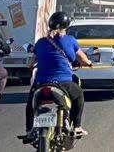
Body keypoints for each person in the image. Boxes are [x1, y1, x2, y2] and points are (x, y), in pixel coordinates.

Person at [28, 11, 90, 139]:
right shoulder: (70, 40)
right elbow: (82, 59)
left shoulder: (40, 42)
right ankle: (77, 126)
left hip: (41, 82)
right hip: (63, 83)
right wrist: (89, 63)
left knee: (31, 100)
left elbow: (31, 63)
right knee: (78, 94)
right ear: (66, 26)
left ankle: (29, 128)